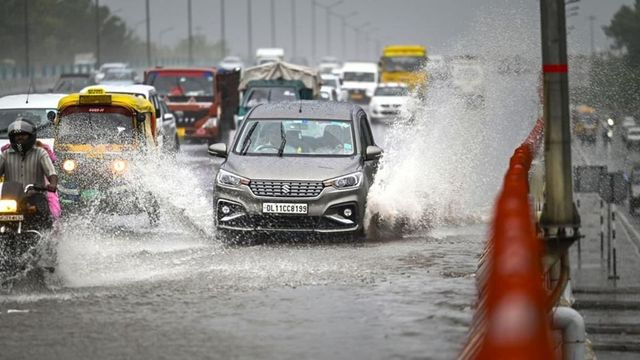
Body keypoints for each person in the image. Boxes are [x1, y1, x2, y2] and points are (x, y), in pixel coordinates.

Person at [0, 119, 58, 229]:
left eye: (23, 135)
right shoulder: (5, 154)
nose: (19, 138)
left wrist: (53, 184)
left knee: (42, 217)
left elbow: (51, 173)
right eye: (16, 135)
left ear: (31, 136)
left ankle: (45, 240)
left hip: (34, 196)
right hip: (11, 198)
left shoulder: (40, 153)